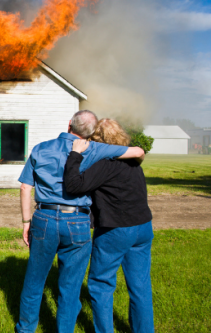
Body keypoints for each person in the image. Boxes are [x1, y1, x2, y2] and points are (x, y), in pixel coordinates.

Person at [15, 110, 145, 333]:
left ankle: (26, 329)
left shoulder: (40, 148)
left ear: (69, 124)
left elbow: (26, 187)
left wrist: (27, 221)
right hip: (77, 221)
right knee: (71, 286)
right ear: (91, 132)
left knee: (34, 280)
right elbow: (137, 151)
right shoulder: (95, 149)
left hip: (43, 218)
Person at [63, 118, 154, 333]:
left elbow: (74, 186)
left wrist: (75, 156)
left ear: (96, 139)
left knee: (101, 284)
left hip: (115, 229)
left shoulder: (106, 164)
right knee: (140, 286)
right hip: (143, 227)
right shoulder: (133, 162)